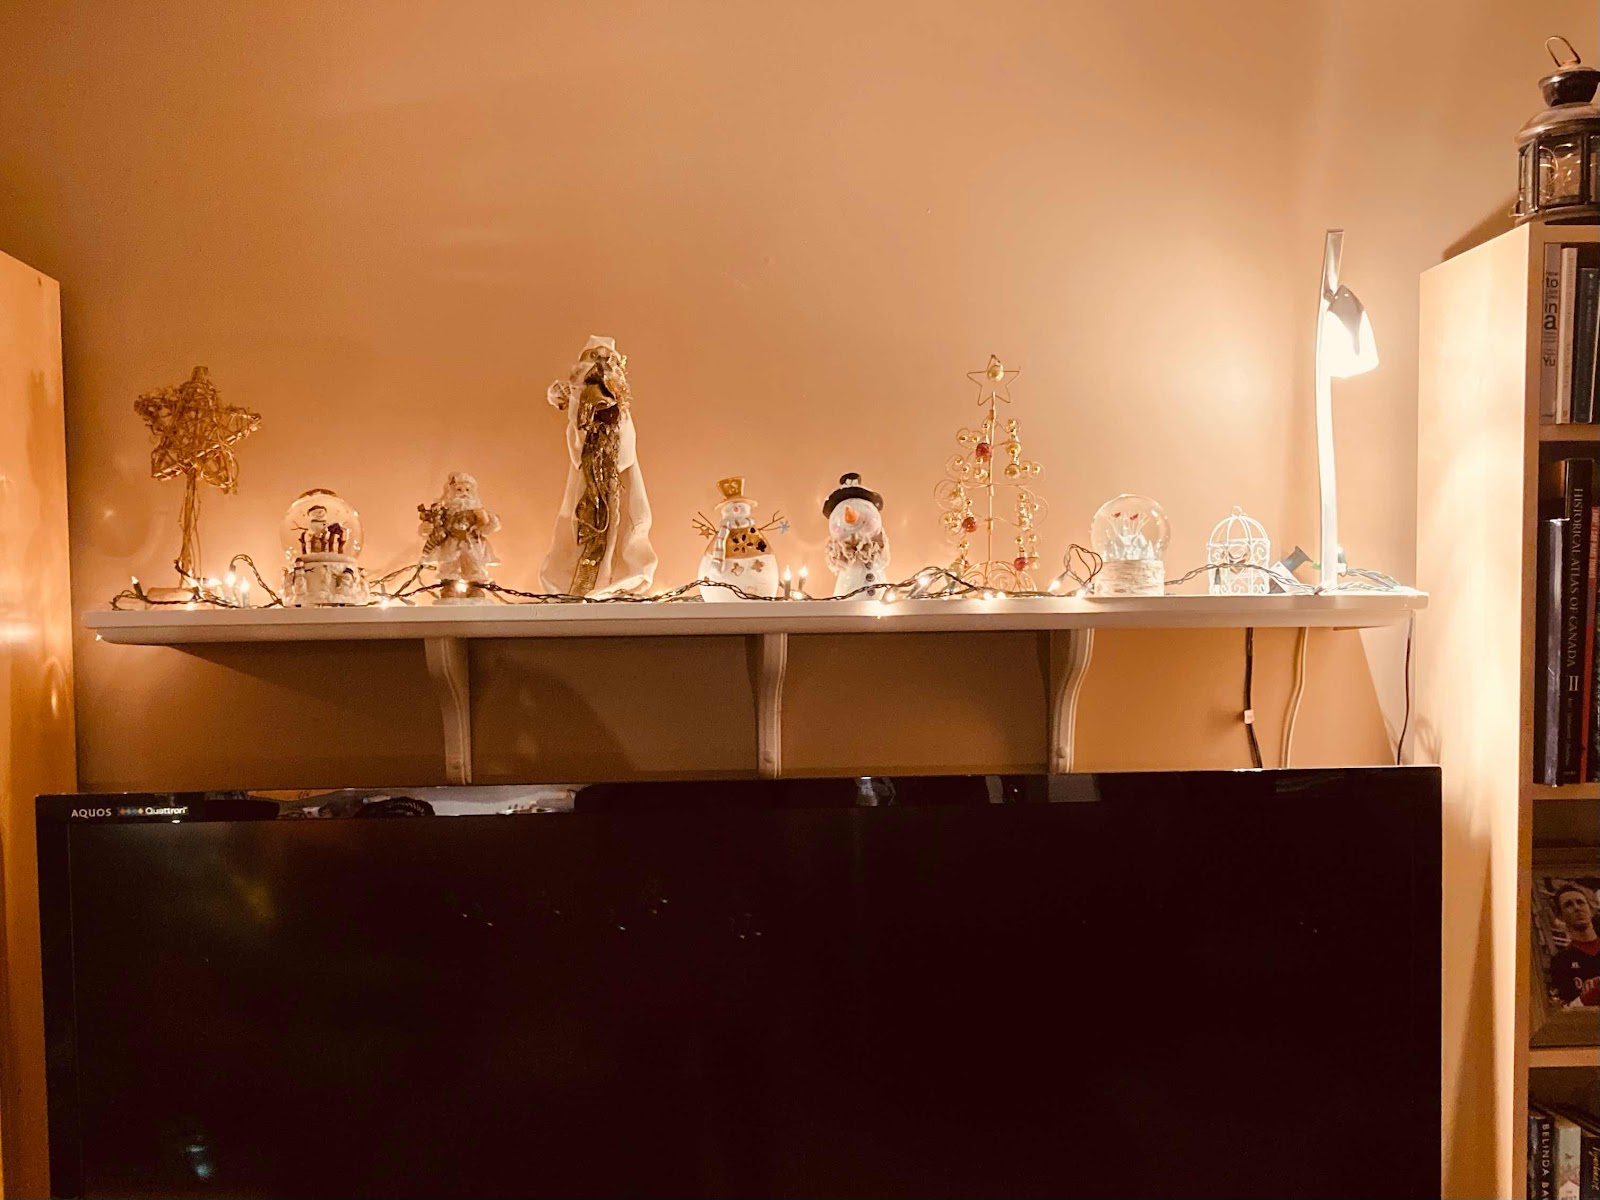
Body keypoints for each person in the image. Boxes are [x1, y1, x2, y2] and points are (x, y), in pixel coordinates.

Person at [1549, 882, 1600, 1008]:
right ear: (1560, 916)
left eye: (1580, 902)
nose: (1577, 908)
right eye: (1568, 905)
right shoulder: (1560, 962)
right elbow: (1564, 1011)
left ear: (1591, 910)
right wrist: (1585, 999)